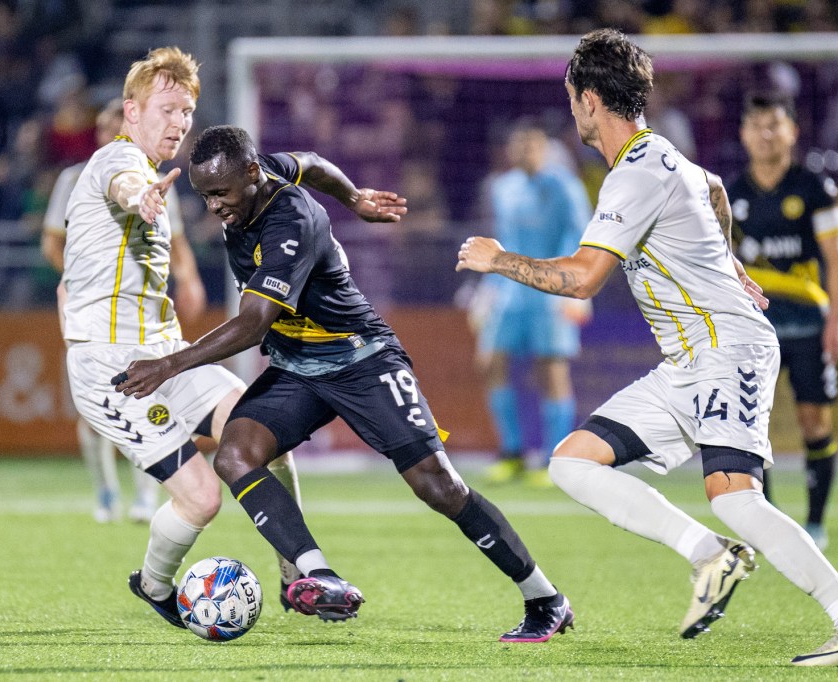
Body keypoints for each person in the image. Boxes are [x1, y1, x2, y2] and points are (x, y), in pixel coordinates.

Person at [456, 29, 838, 666]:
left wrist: (498, 261)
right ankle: (708, 554)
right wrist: (730, 261)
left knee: (736, 496)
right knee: (572, 462)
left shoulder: (634, 174)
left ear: (589, 101)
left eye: (572, 98)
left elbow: (581, 280)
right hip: (689, 360)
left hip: (730, 349)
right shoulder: (661, 155)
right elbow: (715, 188)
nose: (572, 111)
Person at [114, 124, 573, 643]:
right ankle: (318, 574)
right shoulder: (260, 172)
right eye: (204, 195)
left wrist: (170, 364)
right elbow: (310, 160)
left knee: (438, 486)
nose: (214, 207)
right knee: (235, 453)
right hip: (298, 366)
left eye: (221, 194)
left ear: (250, 173)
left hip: (362, 359)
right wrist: (354, 197)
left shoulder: (293, 218)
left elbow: (254, 322)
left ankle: (546, 598)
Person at [61, 47, 303, 628]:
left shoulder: (156, 180)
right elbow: (123, 187)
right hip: (111, 368)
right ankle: (154, 583)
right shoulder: (114, 164)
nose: (179, 123)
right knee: (202, 498)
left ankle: (298, 575)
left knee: (268, 436)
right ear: (132, 111)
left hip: (166, 354)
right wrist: (138, 196)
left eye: (187, 111)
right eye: (166, 109)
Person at [728, 91, 838, 552]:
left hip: (808, 324)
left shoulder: (814, 188)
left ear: (792, 132)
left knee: (813, 420)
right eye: (756, 125)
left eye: (774, 125)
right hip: (755, 328)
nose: (765, 134)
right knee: (751, 424)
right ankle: (768, 522)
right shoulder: (731, 195)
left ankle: (816, 524)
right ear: (743, 134)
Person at [42, 97, 173, 524]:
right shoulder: (74, 178)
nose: (106, 136)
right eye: (100, 129)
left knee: (149, 399)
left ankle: (145, 497)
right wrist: (86, 281)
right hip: (89, 308)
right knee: (93, 401)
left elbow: (175, 244)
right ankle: (104, 493)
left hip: (141, 311)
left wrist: (187, 279)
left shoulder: (155, 178)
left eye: (113, 127)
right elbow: (51, 241)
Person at [476, 120, 592, 487]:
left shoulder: (565, 186)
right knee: (491, 363)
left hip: (550, 291)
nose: (526, 151)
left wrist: (574, 287)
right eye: (519, 145)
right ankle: (511, 452)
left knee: (551, 371)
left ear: (544, 148)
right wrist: (487, 289)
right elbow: (502, 240)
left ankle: (554, 457)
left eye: (533, 144)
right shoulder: (502, 187)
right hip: (509, 292)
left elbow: (579, 234)